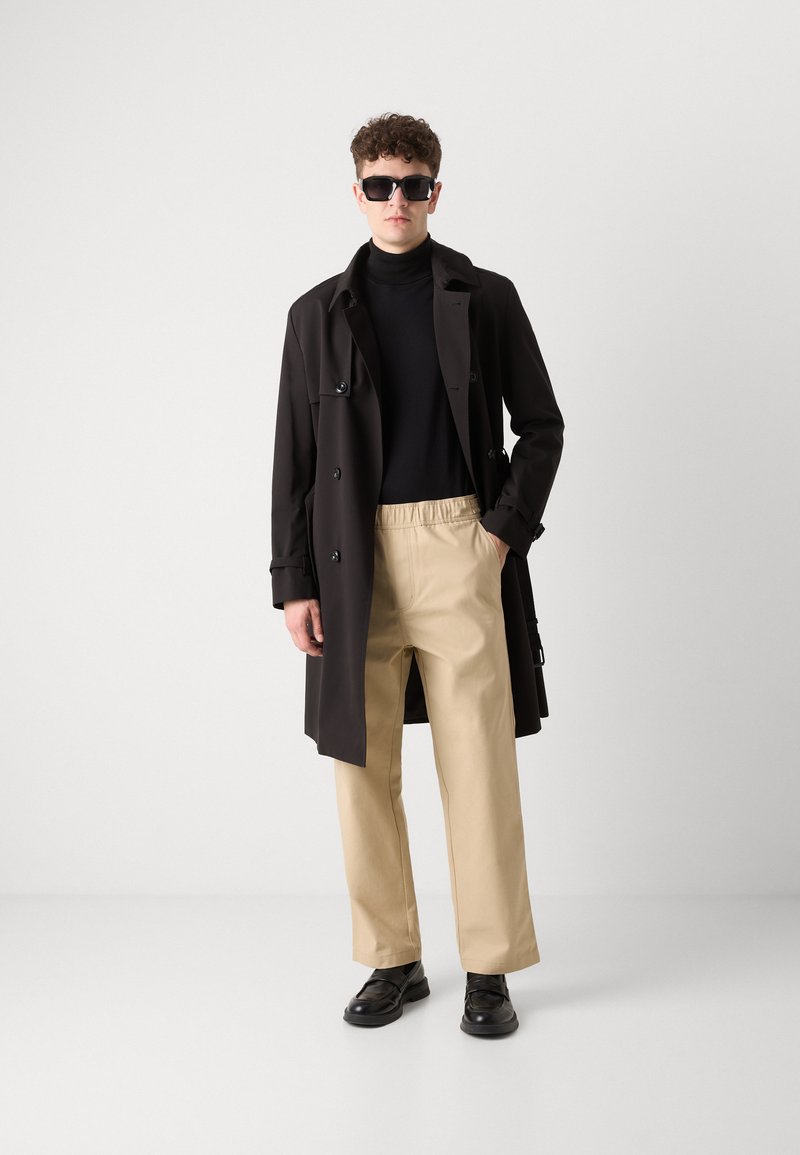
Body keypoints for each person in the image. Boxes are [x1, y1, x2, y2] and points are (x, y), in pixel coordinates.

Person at [270, 112, 564, 1036]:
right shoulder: (315, 314)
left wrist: (499, 536)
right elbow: (294, 458)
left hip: (456, 543)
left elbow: (542, 427)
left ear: (437, 190)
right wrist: (292, 581)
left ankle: (489, 967)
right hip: (347, 558)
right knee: (360, 766)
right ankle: (392, 957)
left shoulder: (485, 296)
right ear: (356, 192)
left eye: (413, 184)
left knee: (478, 762)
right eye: (379, 184)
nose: (396, 200)